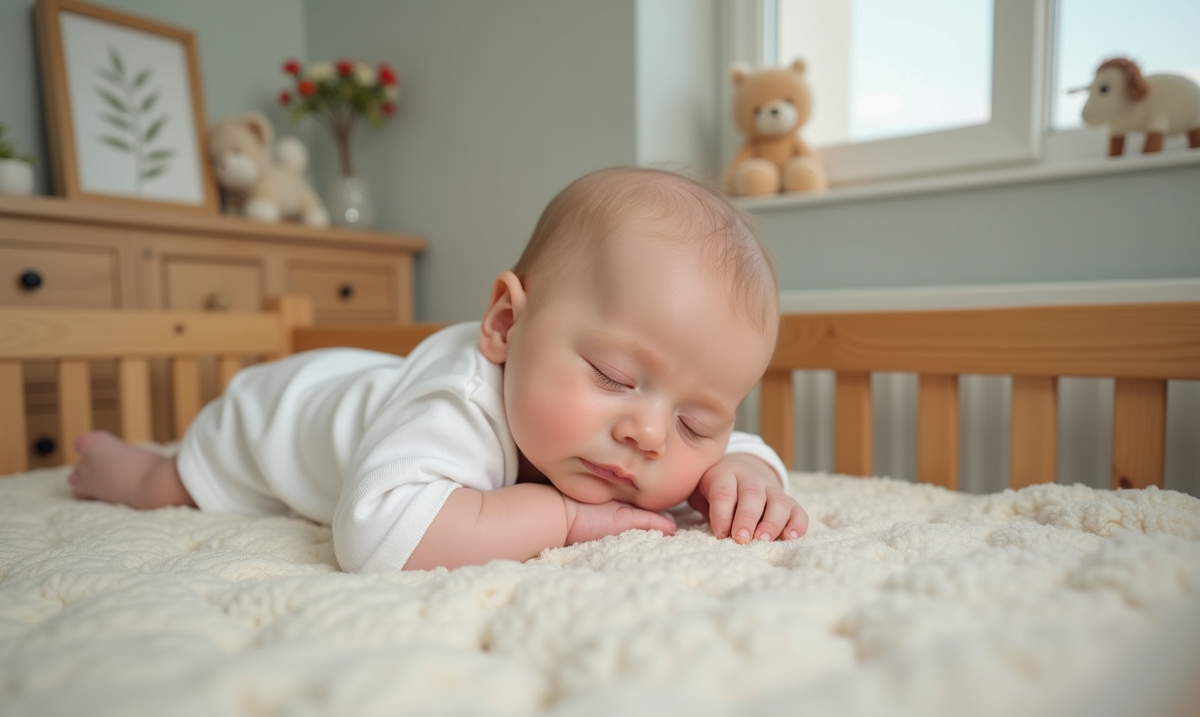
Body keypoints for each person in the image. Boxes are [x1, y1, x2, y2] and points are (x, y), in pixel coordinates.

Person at [68, 167, 809, 571]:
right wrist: (566, 517)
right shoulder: (457, 405)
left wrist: (745, 472)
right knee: (171, 485)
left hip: (368, 384)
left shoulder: (604, 432)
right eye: (614, 376)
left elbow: (726, 452)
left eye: (695, 421)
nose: (651, 434)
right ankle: (112, 463)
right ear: (506, 326)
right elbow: (377, 535)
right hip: (273, 415)